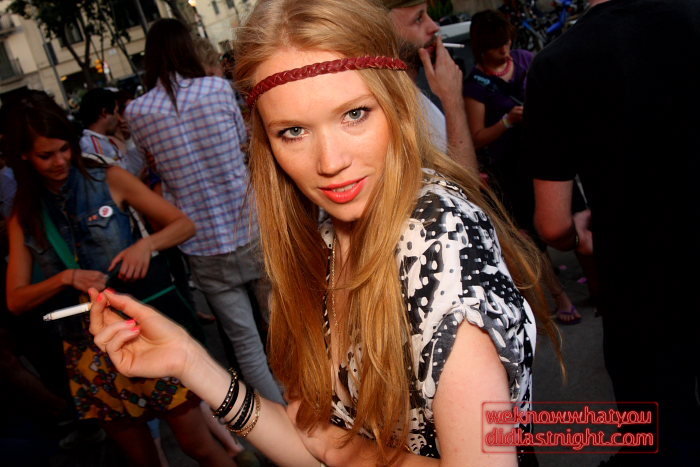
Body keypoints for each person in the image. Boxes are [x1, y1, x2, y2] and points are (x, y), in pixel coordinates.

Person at [91, 0, 560, 465]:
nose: (330, 162)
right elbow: (308, 441)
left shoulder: (440, 245)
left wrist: (346, 451)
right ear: (266, 140)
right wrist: (188, 361)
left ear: (396, 102)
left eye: (354, 114)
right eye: (293, 131)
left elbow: (328, 447)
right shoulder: (325, 233)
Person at [2, 91, 236, 467]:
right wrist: (65, 278)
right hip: (88, 351)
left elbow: (183, 225)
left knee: (198, 446)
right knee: (143, 460)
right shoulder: (24, 214)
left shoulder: (107, 178)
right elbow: (16, 299)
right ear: (24, 157)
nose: (60, 161)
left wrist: (146, 245)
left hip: (141, 332)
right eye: (46, 155)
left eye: (64, 149)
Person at [525, 0, 700, 464]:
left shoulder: (557, 62)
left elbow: (553, 223)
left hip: (641, 281)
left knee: (662, 432)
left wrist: (575, 235)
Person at [124, 18, 284, 405]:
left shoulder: (137, 112)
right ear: (188, 49)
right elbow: (243, 140)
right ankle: (309, 403)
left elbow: (140, 165)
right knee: (282, 327)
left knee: (246, 344)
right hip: (249, 225)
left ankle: (281, 419)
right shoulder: (216, 89)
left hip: (201, 243)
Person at [463, 10, 579, 325]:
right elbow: (476, 138)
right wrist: (506, 121)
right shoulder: (475, 85)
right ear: (481, 48)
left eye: (507, 42)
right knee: (532, 236)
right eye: (496, 46)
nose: (505, 50)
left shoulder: (526, 60)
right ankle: (560, 297)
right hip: (511, 168)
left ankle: (593, 282)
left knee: (573, 216)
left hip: (546, 152)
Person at [382, 0, 478, 171]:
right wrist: (452, 100)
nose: (434, 27)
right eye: (418, 19)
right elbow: (465, 181)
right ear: (385, 35)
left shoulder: (415, 98)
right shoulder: (391, 117)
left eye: (427, 14)